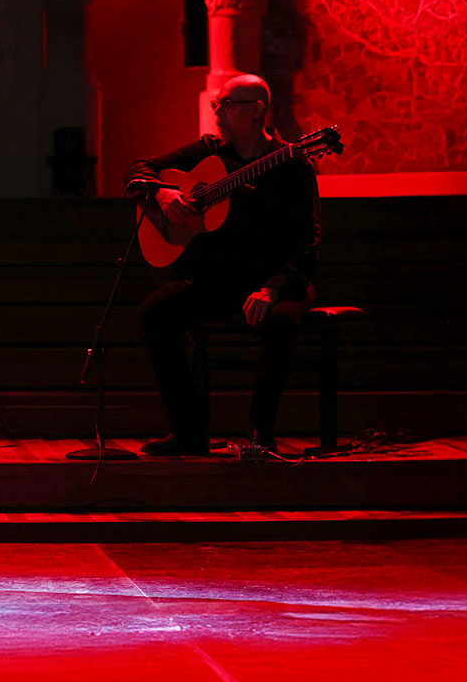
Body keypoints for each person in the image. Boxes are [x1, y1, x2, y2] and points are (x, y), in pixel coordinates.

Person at [124, 73, 321, 456]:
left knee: (280, 321)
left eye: (226, 105)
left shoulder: (292, 166)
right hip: (218, 278)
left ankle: (260, 432)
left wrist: (274, 286)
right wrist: (161, 192)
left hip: (275, 278)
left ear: (256, 111)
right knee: (155, 313)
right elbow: (138, 169)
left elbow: (307, 241)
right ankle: (187, 433)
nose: (217, 113)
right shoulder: (209, 151)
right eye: (217, 105)